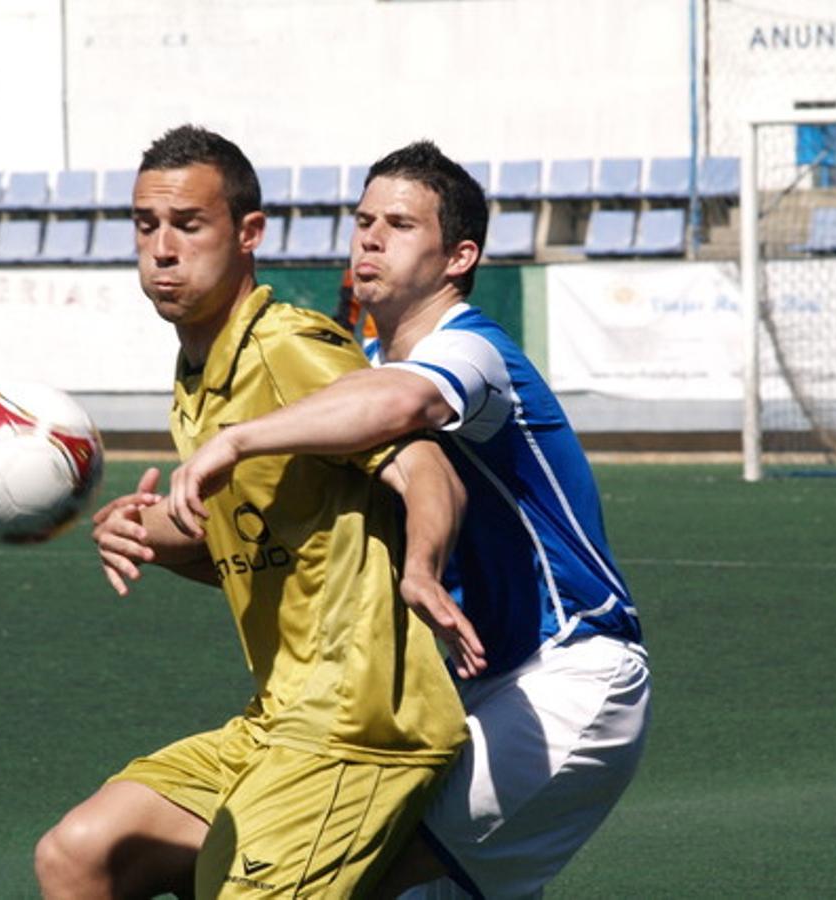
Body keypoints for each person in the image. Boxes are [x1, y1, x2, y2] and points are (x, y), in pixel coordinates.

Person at [165, 140, 652, 898]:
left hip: (563, 676)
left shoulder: (473, 350)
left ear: (459, 257)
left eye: (399, 225)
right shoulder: (356, 365)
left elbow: (404, 401)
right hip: (459, 692)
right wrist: (160, 534)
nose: (370, 239)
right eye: (364, 221)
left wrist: (235, 438)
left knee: (330, 873)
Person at [33, 125, 472, 899]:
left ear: (249, 234)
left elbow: (426, 465)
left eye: (188, 225)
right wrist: (153, 538)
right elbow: (267, 555)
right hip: (277, 717)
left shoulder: (286, 348)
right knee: (81, 854)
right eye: (146, 225)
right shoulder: (197, 374)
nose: (162, 249)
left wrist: (423, 566)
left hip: (359, 726)